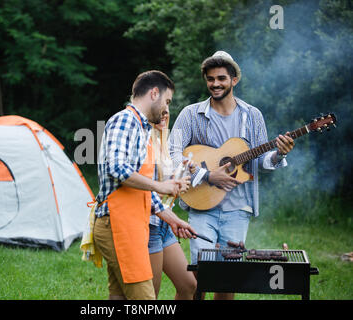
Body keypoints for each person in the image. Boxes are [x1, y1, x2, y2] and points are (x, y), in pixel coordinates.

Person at [169, 51, 295, 300]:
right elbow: (172, 151)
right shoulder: (191, 114)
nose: (215, 84)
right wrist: (206, 175)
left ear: (234, 80)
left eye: (221, 78)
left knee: (227, 279)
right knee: (199, 275)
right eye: (210, 79)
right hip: (201, 205)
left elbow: (261, 160)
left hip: (239, 209)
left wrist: (279, 155)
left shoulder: (253, 116)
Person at [93, 70, 196, 300]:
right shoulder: (125, 120)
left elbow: (140, 190)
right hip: (117, 224)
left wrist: (172, 219)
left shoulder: (141, 128)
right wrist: (162, 186)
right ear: (154, 93)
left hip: (128, 223)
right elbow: (116, 168)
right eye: (167, 101)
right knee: (145, 299)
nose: (166, 109)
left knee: (119, 297)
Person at [148, 109, 197, 300]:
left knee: (188, 285)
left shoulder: (162, 142)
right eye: (158, 112)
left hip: (164, 224)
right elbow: (145, 191)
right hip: (149, 224)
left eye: (166, 111)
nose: (163, 116)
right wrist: (173, 187)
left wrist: (182, 174)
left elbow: (164, 187)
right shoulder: (144, 144)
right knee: (150, 295)